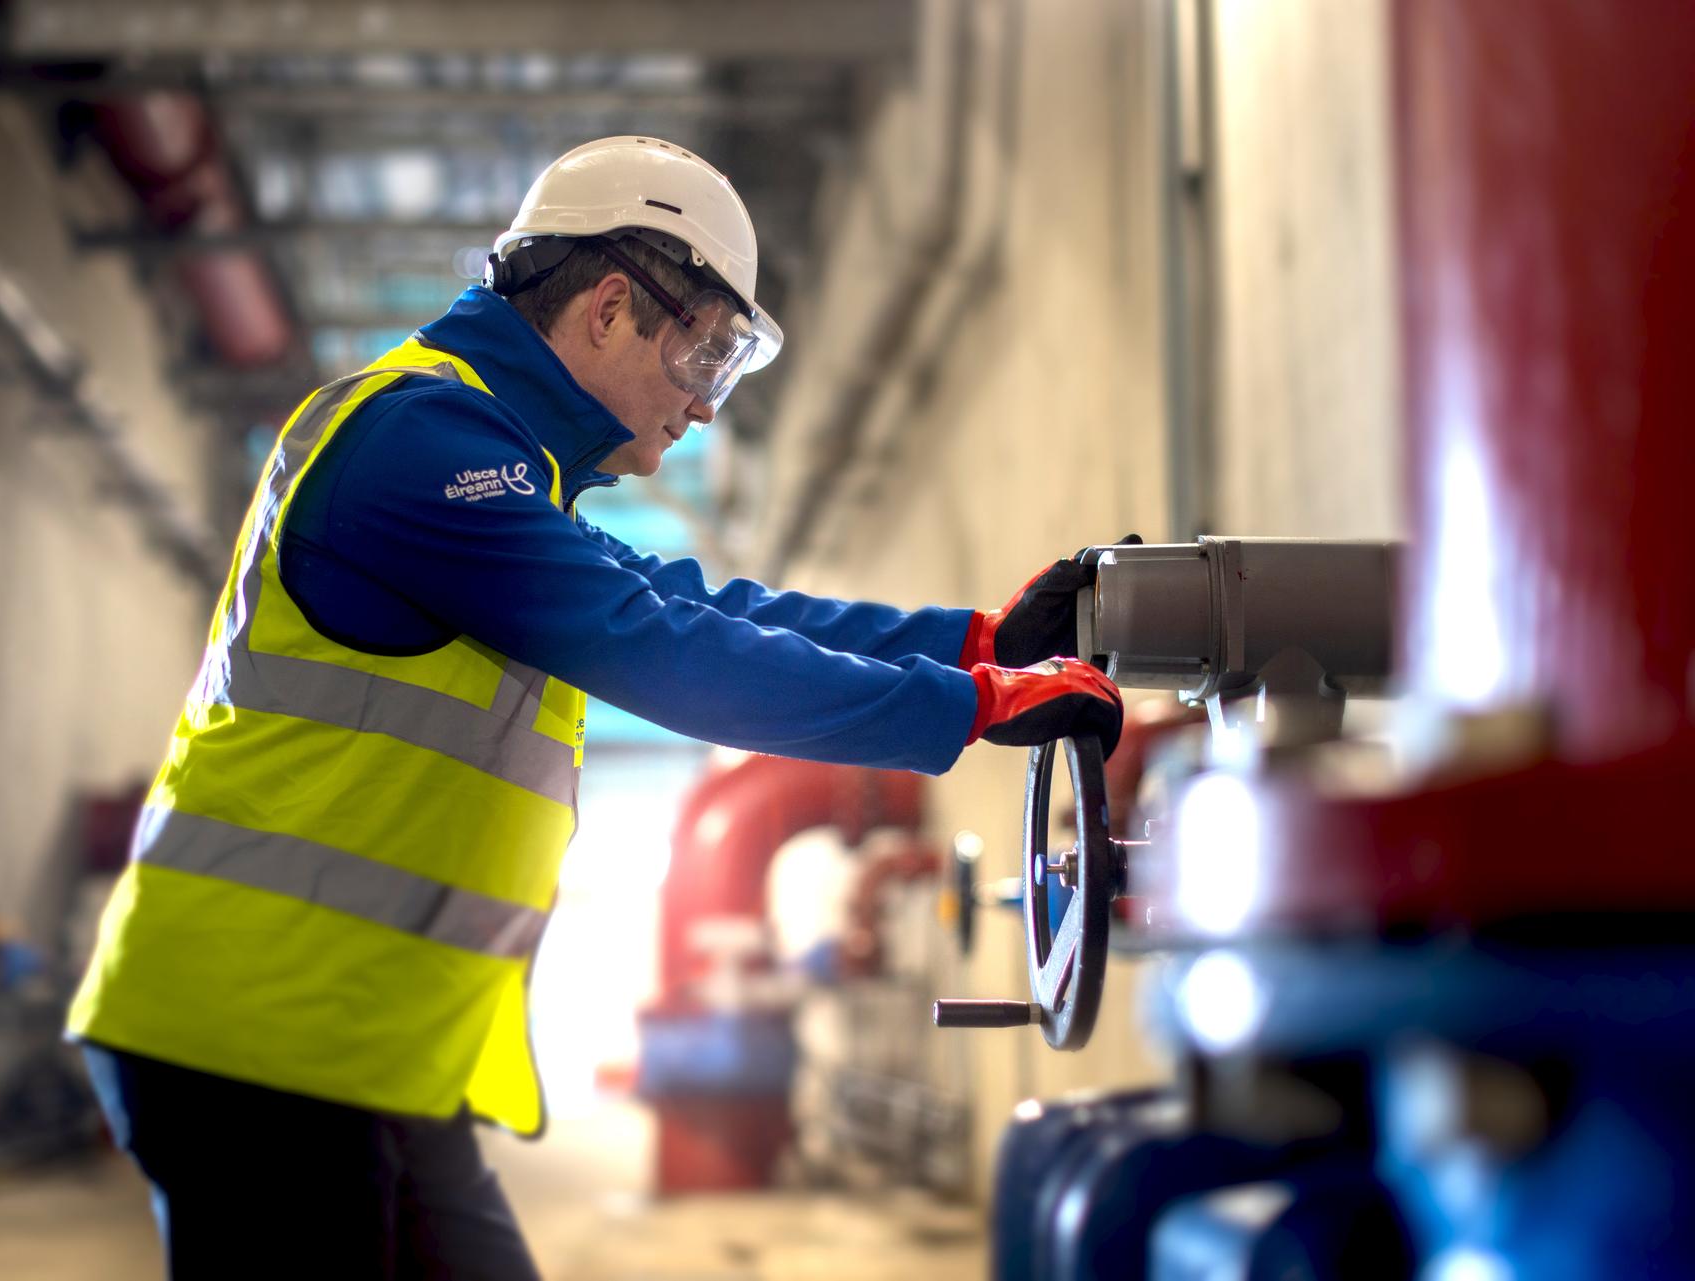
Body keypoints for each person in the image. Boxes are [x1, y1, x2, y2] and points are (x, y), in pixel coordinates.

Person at [68, 136, 1125, 1279]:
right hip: (252, 1039)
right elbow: (664, 649)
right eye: (704, 355)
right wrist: (964, 709)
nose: (707, 409)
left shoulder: (502, 463)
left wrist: (976, 645)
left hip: (353, 1047)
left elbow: (689, 600)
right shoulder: (416, 445)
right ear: (612, 308)